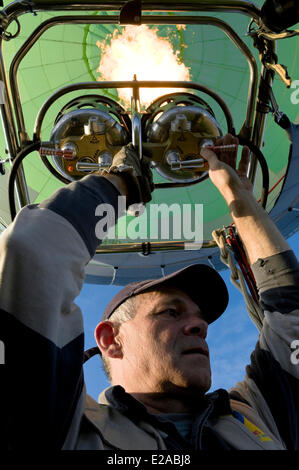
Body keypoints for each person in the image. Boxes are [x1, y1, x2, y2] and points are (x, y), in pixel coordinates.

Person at [2, 134, 299, 450]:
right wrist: (120, 184)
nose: (201, 327)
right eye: (170, 312)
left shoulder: (258, 418)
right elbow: (31, 255)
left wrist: (239, 196)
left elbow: (291, 314)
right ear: (111, 341)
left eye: (199, 317)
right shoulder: (67, 426)